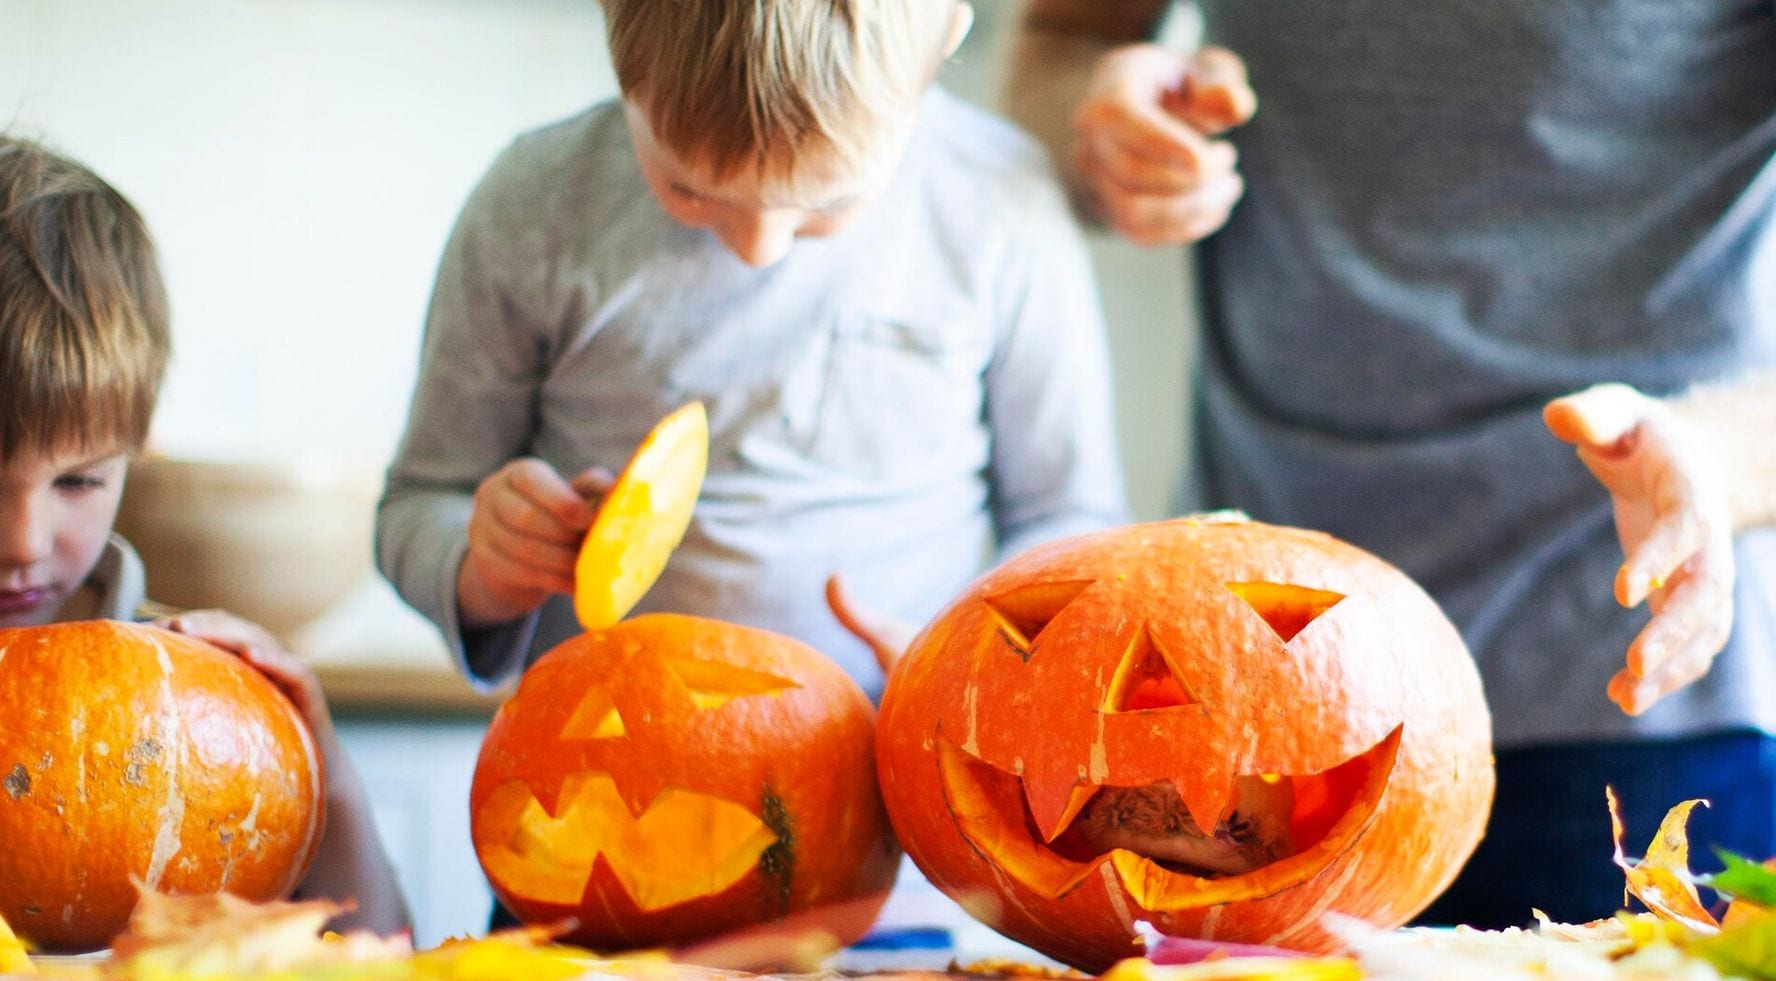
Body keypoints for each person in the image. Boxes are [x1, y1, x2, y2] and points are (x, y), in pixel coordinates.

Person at [1004, 0, 1776, 927]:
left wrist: (1717, 455)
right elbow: (1066, 38)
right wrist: (1100, 120)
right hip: (1234, 709)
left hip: (1624, 694)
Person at [376, 0, 1126, 700]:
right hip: (609, 749)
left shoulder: (1005, 205)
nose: (759, 249)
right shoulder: (534, 205)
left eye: (829, 201)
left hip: (904, 756)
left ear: (941, 44)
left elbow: (1072, 517)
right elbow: (416, 506)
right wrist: (486, 570)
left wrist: (976, 650)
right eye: (689, 187)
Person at [0, 133, 410, 935]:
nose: (22, 541)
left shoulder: (192, 698)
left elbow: (382, 957)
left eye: (78, 480)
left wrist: (323, 762)